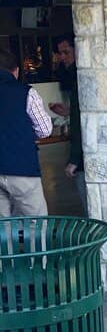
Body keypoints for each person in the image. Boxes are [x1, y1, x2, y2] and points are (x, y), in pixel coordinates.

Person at [0, 48, 53, 215]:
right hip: (22, 168)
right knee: (36, 225)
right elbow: (45, 130)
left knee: (2, 228)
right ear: (15, 71)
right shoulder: (27, 93)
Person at [51, 34, 87, 214]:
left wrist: (74, 159)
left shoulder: (79, 76)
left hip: (83, 153)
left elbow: (83, 121)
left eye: (66, 52)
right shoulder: (74, 75)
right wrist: (67, 112)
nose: (62, 57)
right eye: (59, 53)